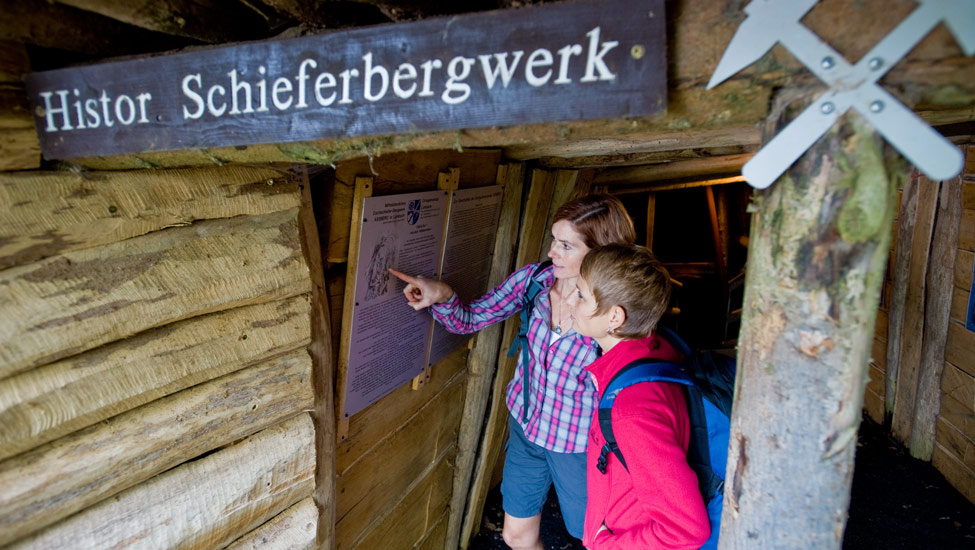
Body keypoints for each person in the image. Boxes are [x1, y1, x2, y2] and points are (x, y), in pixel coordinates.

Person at [389, 195, 636, 550]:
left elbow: (629, 386)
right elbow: (473, 318)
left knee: (593, 538)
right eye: (554, 240)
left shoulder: (616, 314)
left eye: (566, 245)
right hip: (527, 427)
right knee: (515, 536)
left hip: (579, 445)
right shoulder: (535, 282)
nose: (552, 252)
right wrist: (441, 295)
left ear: (602, 253)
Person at [569, 243, 710, 549]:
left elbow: (686, 529)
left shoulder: (631, 409)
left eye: (580, 295)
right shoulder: (651, 352)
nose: (570, 299)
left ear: (614, 317)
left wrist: (604, 546)